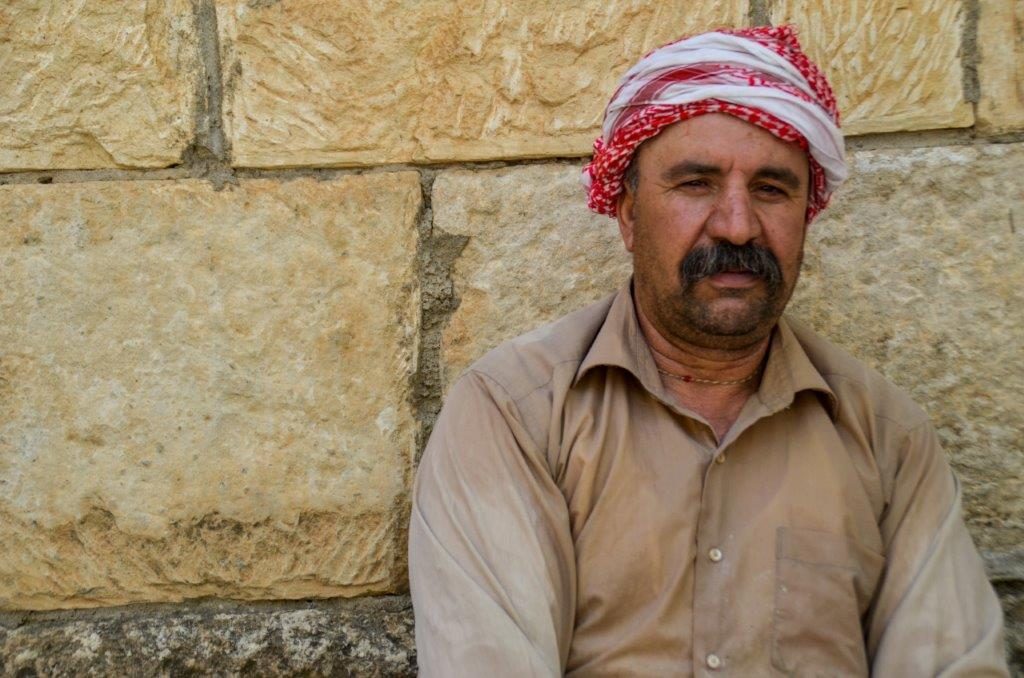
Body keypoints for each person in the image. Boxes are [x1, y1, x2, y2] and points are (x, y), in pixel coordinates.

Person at [408, 25, 1008, 676]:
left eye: (772, 189)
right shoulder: (514, 415)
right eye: (697, 183)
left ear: (806, 213)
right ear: (629, 214)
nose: (738, 224)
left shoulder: (887, 439)